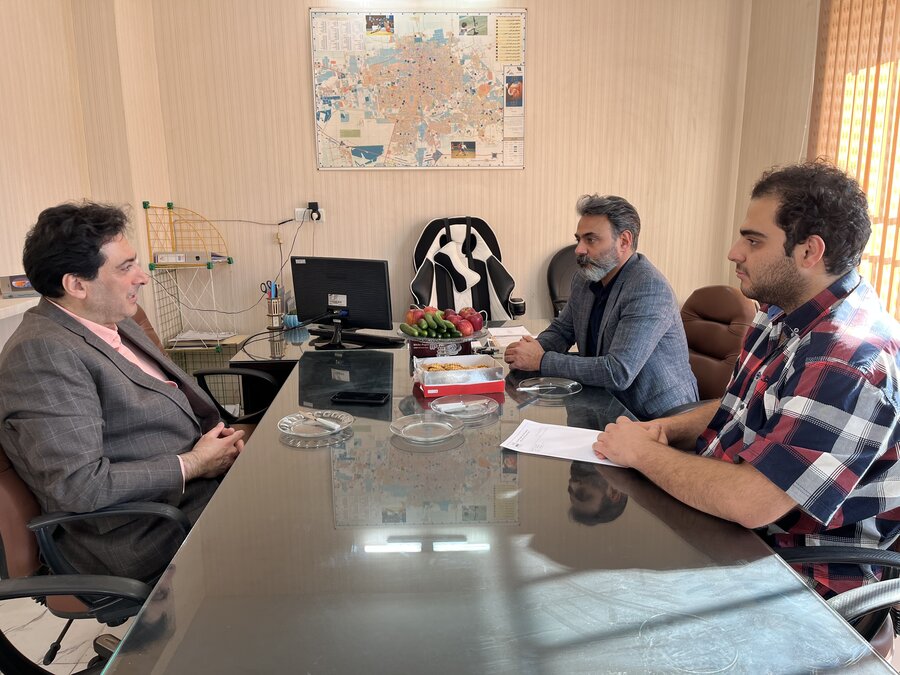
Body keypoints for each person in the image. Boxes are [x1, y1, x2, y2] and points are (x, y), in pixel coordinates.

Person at [594, 162, 900, 599]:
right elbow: (738, 408)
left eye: (753, 240)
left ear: (810, 251)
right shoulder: (780, 314)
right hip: (730, 532)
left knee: (605, 595)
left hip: (797, 576)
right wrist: (663, 429)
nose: (734, 252)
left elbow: (753, 503)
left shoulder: (848, 360)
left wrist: (642, 453)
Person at [0, 202, 245, 580]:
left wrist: (219, 447)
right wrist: (195, 463)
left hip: (197, 489)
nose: (142, 278)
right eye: (126, 267)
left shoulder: (112, 319)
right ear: (76, 285)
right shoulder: (41, 354)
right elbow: (80, 487)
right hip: (144, 530)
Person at [504, 194, 697, 419]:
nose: (579, 249)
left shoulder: (648, 287)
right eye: (579, 239)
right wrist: (530, 350)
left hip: (655, 416)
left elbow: (618, 372)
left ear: (624, 241)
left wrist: (540, 360)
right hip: (603, 403)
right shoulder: (584, 279)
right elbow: (562, 330)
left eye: (591, 239)